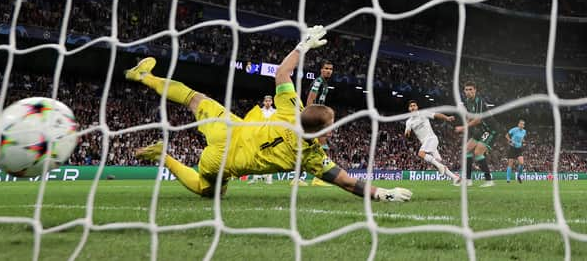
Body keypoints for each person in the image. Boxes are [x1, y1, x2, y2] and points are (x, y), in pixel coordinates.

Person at [128, 25, 412, 202]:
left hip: (228, 127)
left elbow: (282, 72)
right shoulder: (311, 156)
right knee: (209, 190)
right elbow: (348, 183)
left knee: (193, 98)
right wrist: (382, 194)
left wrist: (303, 46)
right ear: (321, 132)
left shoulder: (292, 108)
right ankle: (162, 155)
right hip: (224, 160)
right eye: (331, 124)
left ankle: (144, 77)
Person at [454, 82, 500, 187]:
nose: (468, 92)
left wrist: (464, 127)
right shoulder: (467, 101)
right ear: (464, 91)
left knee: (478, 152)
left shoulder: (479, 101)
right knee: (466, 149)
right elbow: (470, 116)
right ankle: (468, 180)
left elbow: (478, 119)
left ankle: (489, 181)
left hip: (490, 129)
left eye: (471, 89)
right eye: (466, 90)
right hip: (480, 130)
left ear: (475, 90)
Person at [404, 100, 460, 183]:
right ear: (409, 108)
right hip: (426, 143)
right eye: (411, 106)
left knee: (421, 153)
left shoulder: (423, 113)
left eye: (414, 105)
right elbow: (407, 134)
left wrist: (447, 118)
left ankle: (441, 167)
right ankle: (455, 178)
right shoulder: (408, 122)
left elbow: (436, 114)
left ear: (417, 107)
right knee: (438, 163)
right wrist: (407, 134)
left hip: (431, 138)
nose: (413, 107)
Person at [306, 61, 334, 187]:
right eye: (326, 68)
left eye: (330, 69)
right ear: (321, 70)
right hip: (315, 116)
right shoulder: (318, 81)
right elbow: (310, 99)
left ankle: (297, 178)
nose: (328, 71)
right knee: (323, 145)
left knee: (308, 148)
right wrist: (312, 117)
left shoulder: (324, 83)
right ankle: (319, 178)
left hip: (317, 116)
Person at [245, 95, 276, 185]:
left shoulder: (275, 112)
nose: (268, 102)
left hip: (270, 136)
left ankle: (269, 178)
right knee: (257, 156)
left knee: (270, 157)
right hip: (260, 136)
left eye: (269, 101)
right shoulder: (259, 112)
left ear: (272, 102)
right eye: (266, 101)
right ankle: (255, 178)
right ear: (263, 102)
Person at [506, 119, 526, 184]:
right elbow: (506, 136)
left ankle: (518, 176)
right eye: (521, 124)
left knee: (522, 163)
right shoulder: (514, 129)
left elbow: (522, 138)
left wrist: (523, 141)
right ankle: (508, 179)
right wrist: (510, 141)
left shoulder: (524, 131)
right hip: (512, 148)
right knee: (510, 163)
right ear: (518, 124)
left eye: (523, 124)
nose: (522, 125)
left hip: (519, 149)